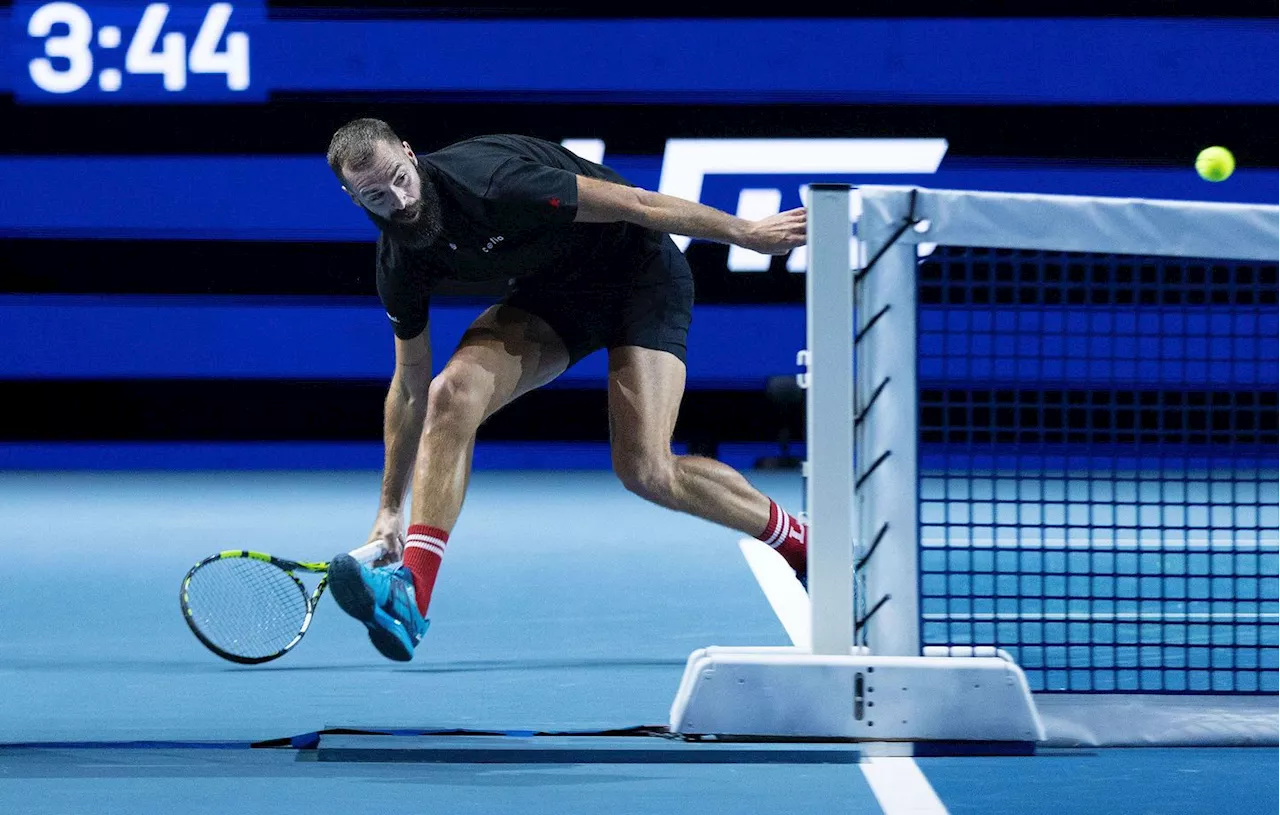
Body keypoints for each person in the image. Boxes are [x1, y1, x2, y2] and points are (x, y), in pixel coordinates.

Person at [323, 119, 811, 661]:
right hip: (554, 298)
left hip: (639, 275)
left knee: (646, 470)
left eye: (399, 178)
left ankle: (800, 543)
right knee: (449, 393)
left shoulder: (491, 180)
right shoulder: (400, 258)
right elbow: (410, 387)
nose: (399, 200)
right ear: (352, 197)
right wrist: (389, 509)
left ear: (410, 155)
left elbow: (638, 204)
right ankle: (412, 594)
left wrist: (748, 232)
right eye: (376, 195)